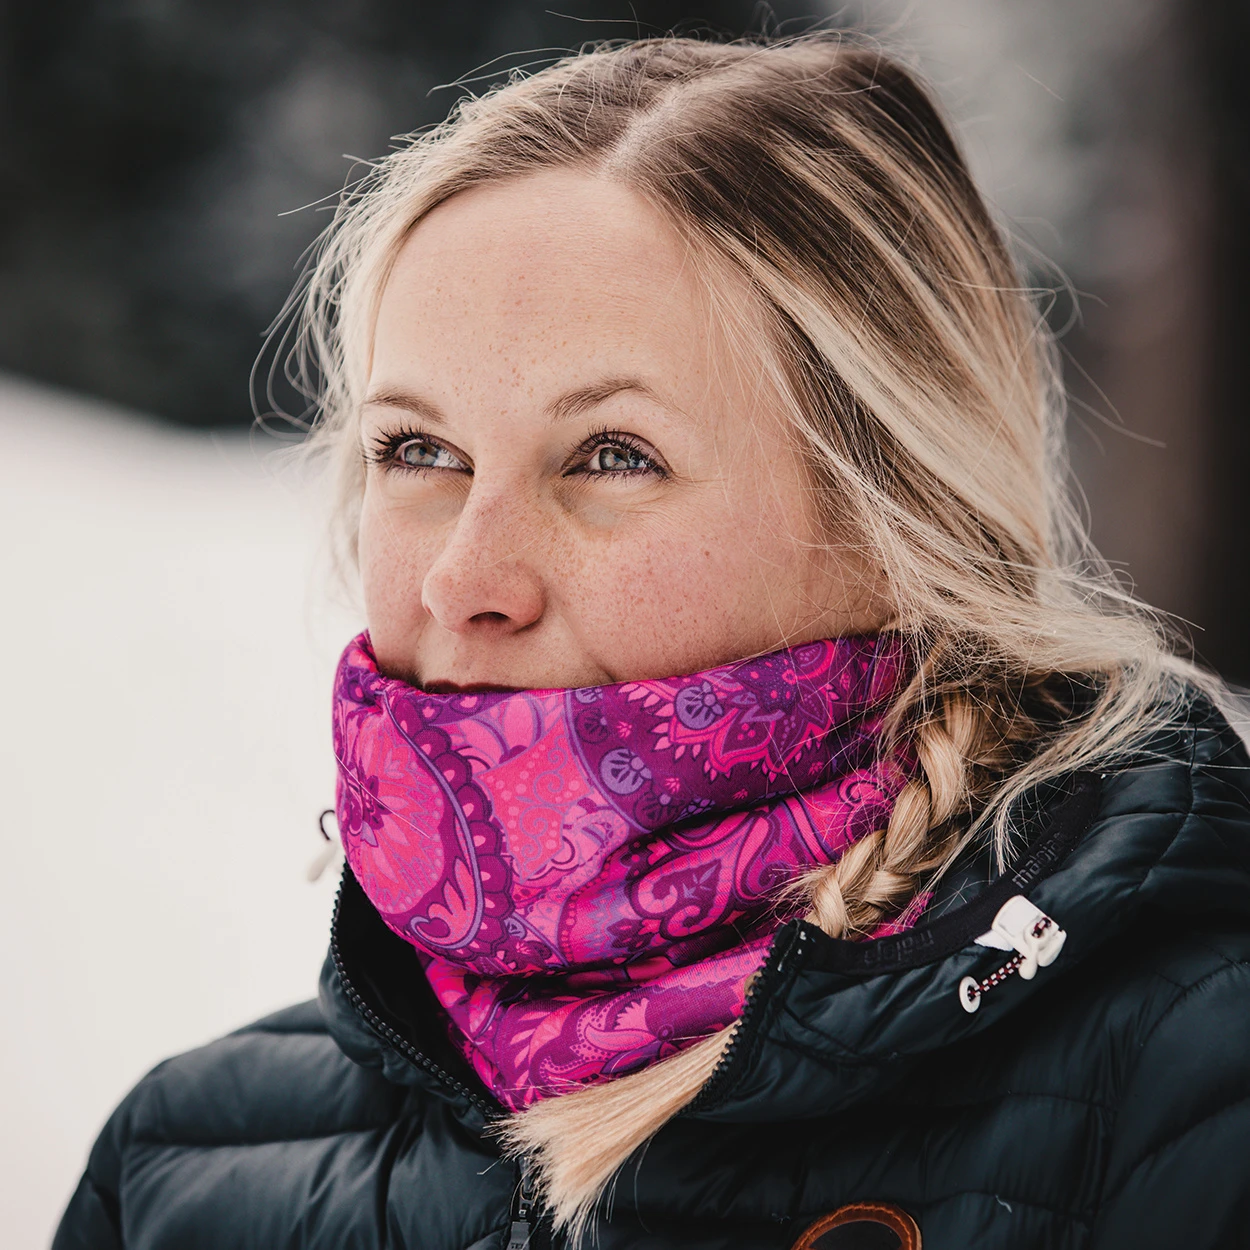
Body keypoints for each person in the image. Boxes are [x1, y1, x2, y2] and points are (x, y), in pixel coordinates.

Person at [54, 33, 1250, 1250]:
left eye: (611, 456)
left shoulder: (1195, 1093)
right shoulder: (176, 1172)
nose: (465, 578)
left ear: (901, 524)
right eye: (419, 449)